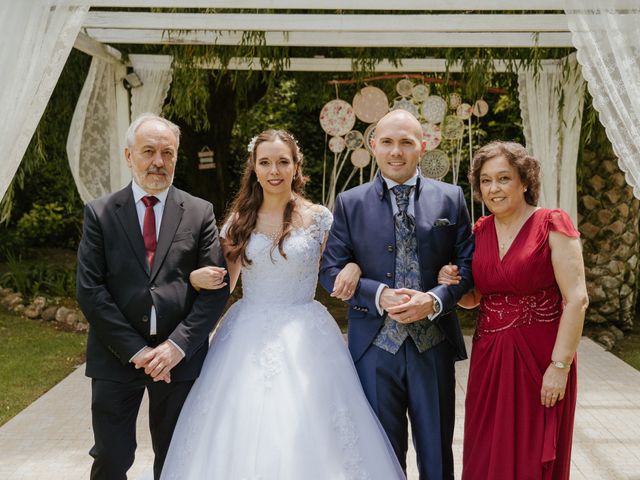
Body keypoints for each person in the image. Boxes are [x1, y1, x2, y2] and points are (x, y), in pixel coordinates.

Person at [159, 129, 405, 479]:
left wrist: (352, 266)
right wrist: (195, 279)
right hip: (246, 331)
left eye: (282, 162)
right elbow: (225, 285)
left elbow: (337, 266)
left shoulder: (320, 218)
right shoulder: (237, 222)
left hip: (307, 331)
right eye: (265, 162)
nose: (274, 170)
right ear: (254, 168)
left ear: (295, 166)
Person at [319, 109, 475, 479]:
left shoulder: (450, 198)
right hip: (374, 347)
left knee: (437, 454)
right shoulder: (349, 202)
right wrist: (378, 294)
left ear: (423, 146)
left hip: (433, 346)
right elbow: (329, 271)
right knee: (380, 457)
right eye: (387, 142)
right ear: (374, 146)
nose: (397, 151)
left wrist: (434, 299)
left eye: (406, 142)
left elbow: (467, 265)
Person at [76, 113, 230, 480]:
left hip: (179, 361)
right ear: (129, 156)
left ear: (177, 157)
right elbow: (90, 290)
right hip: (116, 358)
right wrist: (138, 350)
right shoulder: (100, 213)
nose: (158, 162)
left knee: (176, 459)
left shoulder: (199, 212)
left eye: (167, 152)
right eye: (148, 151)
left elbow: (216, 289)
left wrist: (177, 347)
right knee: (111, 458)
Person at [438, 141, 588, 480]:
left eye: (504, 178)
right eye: (486, 181)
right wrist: (452, 282)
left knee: (533, 453)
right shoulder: (480, 231)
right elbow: (474, 298)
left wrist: (559, 367)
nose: (494, 188)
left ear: (524, 181)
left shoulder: (552, 223)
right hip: (490, 358)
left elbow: (577, 299)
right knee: (486, 448)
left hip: (541, 358)